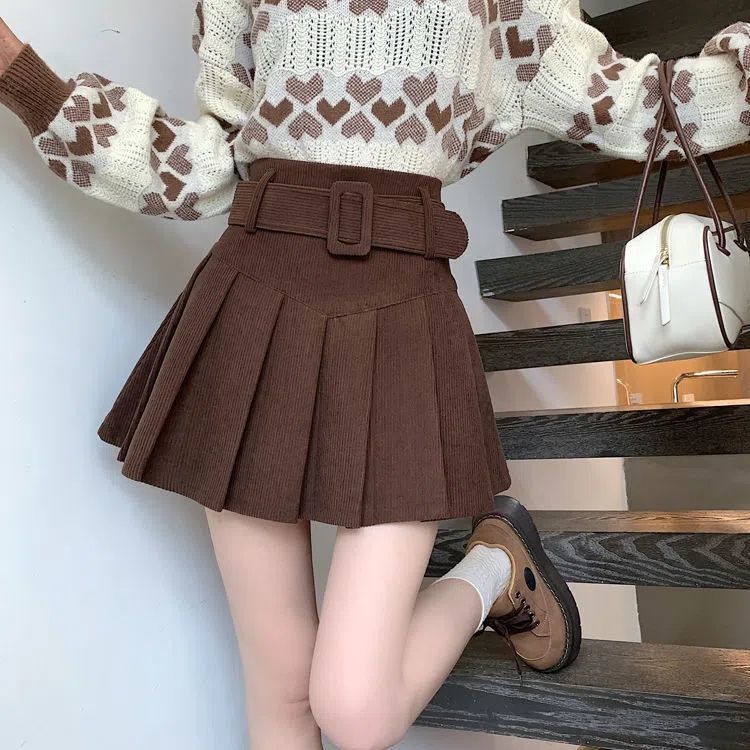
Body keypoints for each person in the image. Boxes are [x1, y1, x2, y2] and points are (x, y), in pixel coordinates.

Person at [1, 3, 748, 748]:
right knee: (282, 696)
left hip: (402, 312)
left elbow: (643, 108)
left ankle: (492, 568)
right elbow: (205, 166)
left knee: (355, 709)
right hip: (256, 295)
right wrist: (23, 80)